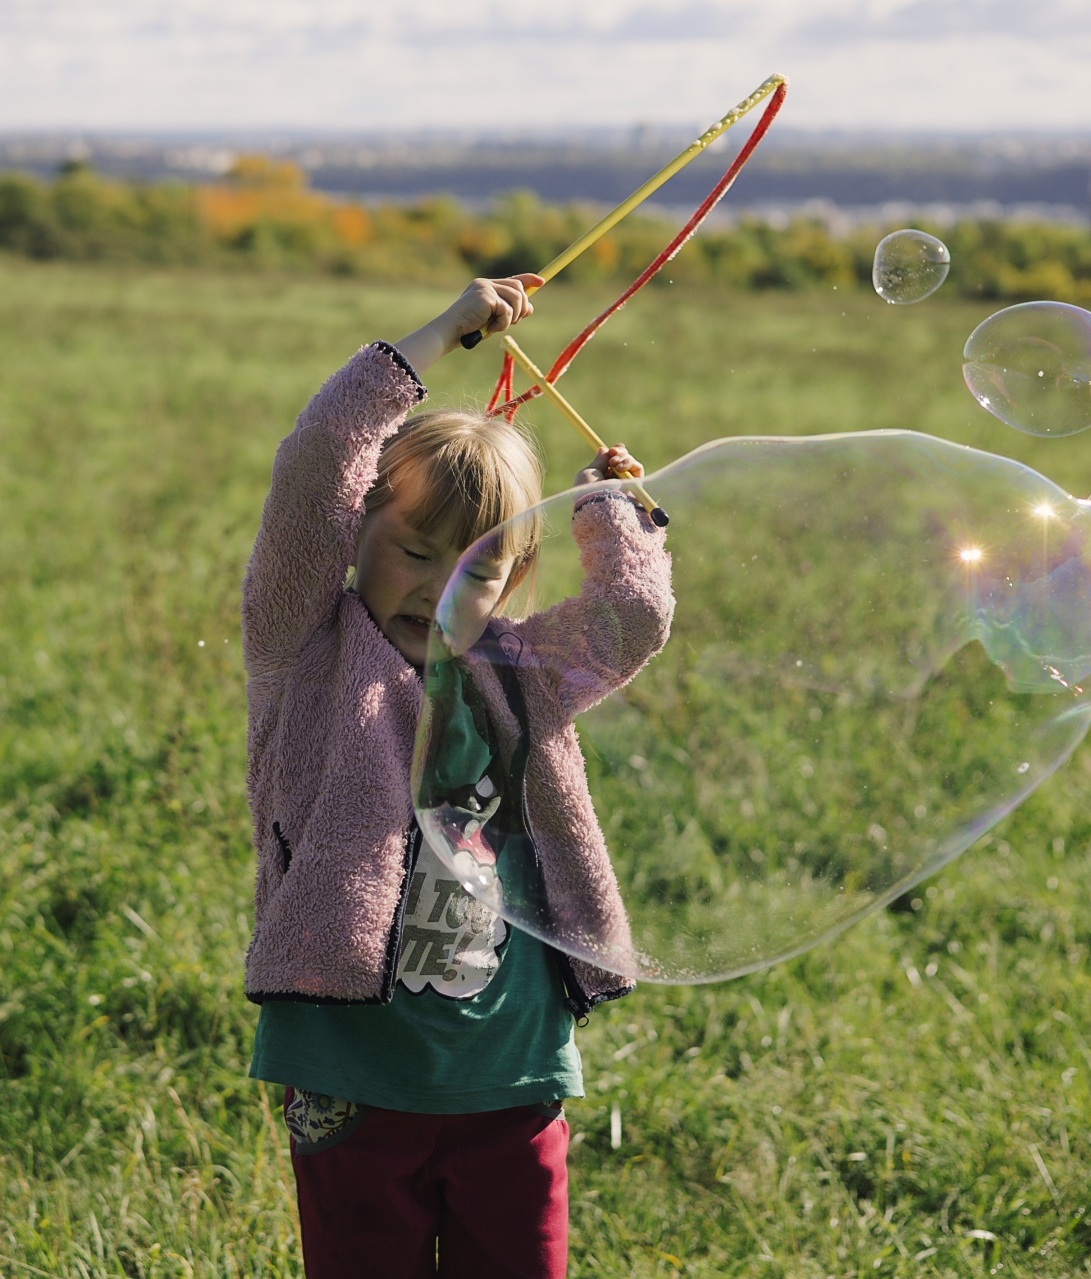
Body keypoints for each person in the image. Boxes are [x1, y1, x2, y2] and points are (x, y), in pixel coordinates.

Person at [240, 275, 674, 1277]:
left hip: (512, 1071)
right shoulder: (305, 647)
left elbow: (633, 616)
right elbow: (315, 466)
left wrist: (610, 509)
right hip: (353, 1075)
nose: (440, 588)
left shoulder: (523, 673)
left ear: (514, 578)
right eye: (413, 550)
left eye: (477, 569)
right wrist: (442, 332)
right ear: (357, 528)